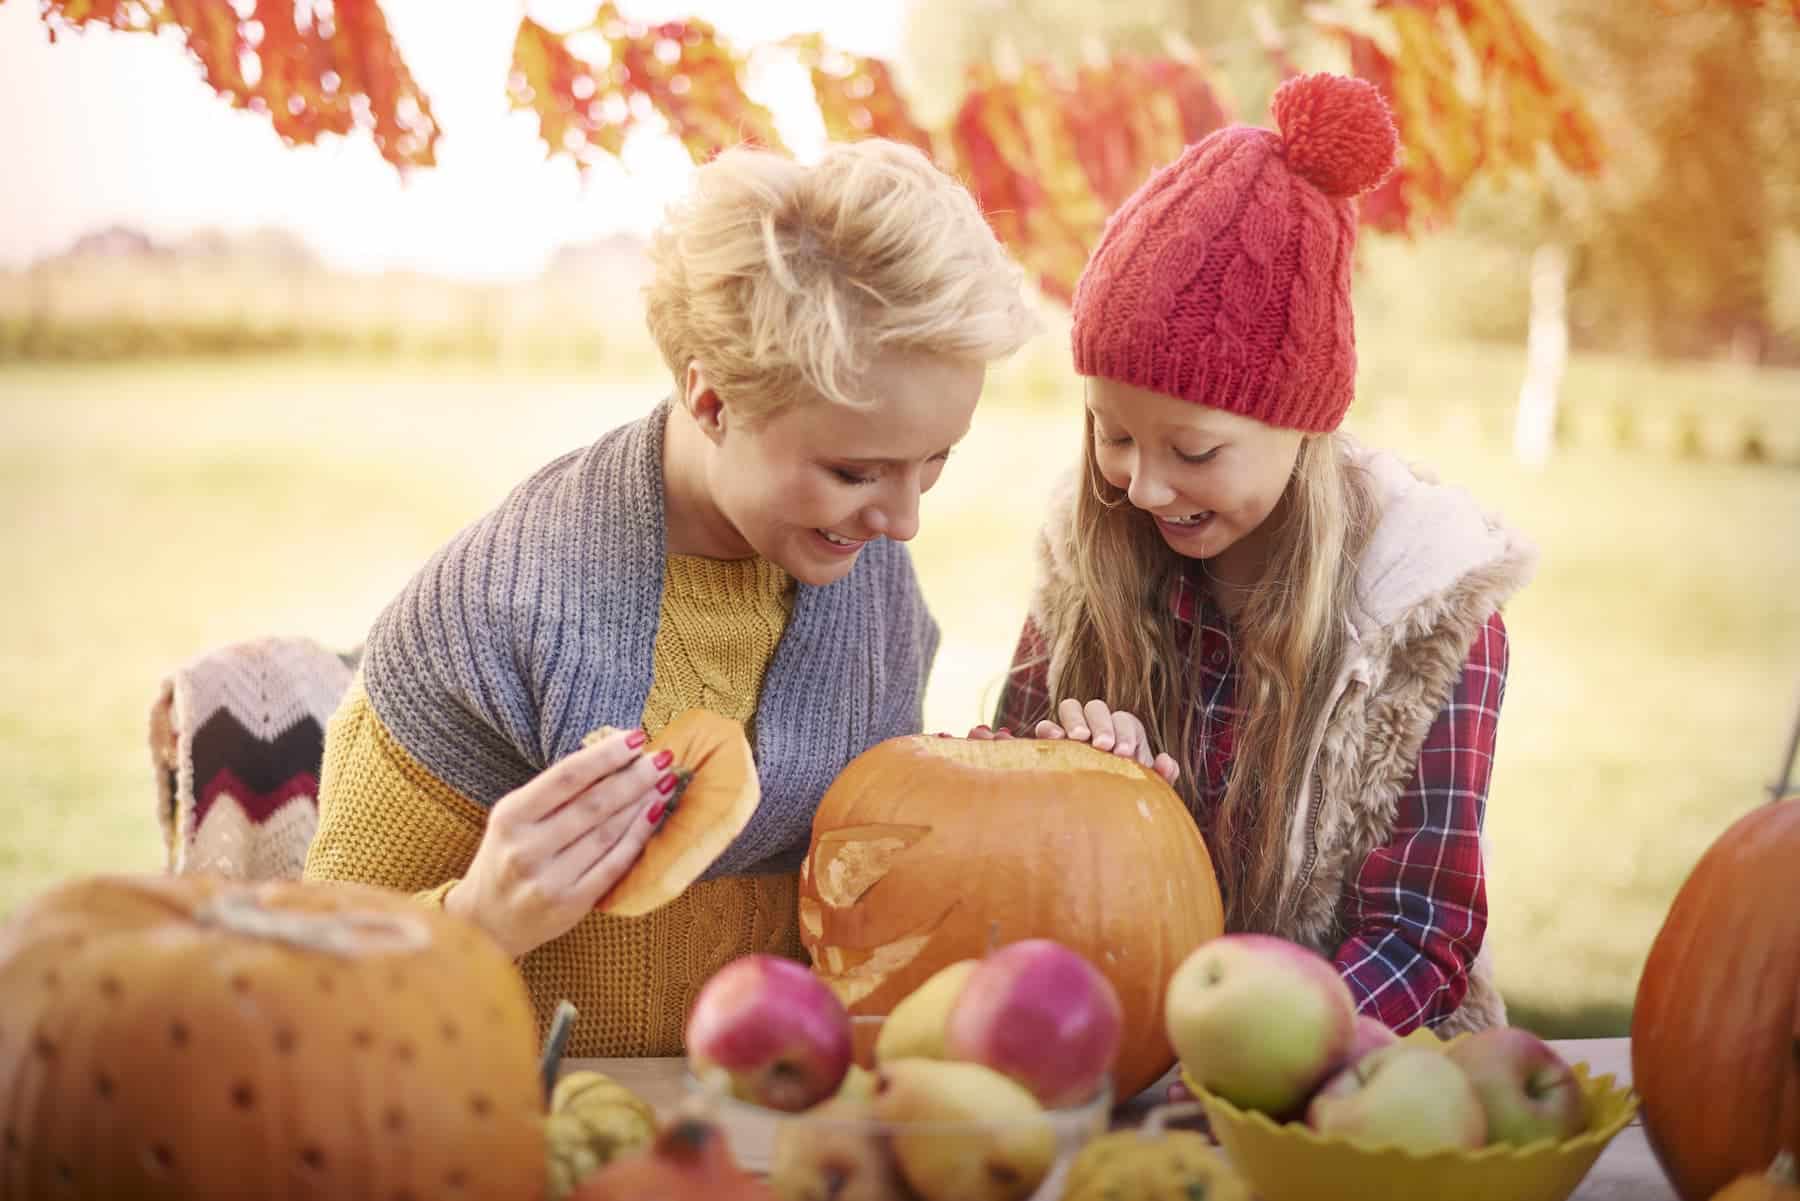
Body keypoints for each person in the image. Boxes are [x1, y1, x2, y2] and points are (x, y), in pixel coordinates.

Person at [303, 136, 1038, 1055]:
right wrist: (484, 913)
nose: (903, 520)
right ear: (715, 399)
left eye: (934, 463)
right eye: (857, 470)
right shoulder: (490, 617)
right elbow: (311, 996)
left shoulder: (871, 587)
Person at [988, 73, 1536, 1035]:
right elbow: (983, 834)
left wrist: (1254, 1058)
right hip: (1112, 1049)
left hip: (1347, 1080)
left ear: (1303, 423)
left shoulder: (1426, 614)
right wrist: (1064, 788)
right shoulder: (1093, 567)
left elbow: (1420, 938)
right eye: (1111, 435)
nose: (1141, 488)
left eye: (1193, 451)